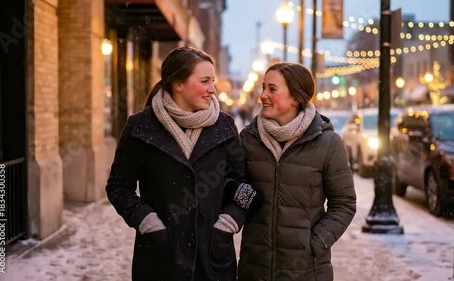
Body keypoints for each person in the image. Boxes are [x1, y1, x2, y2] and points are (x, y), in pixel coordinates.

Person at [105, 46, 261, 281]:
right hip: (160, 258)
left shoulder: (225, 127)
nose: (212, 89)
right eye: (205, 81)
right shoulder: (140, 127)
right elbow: (118, 187)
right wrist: (148, 222)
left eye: (213, 81)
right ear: (178, 83)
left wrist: (228, 223)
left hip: (213, 258)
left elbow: (242, 184)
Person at [238, 62, 356, 281]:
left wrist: (313, 243)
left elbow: (344, 203)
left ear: (295, 98)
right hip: (255, 268)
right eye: (263, 87)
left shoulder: (328, 143)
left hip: (307, 271)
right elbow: (234, 186)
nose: (263, 95)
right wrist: (245, 200)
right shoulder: (249, 138)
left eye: (272, 89)